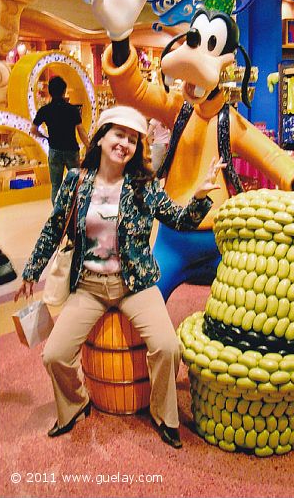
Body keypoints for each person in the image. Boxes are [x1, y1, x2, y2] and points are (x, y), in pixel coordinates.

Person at [15, 105, 225, 449]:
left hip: (136, 285)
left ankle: (164, 415)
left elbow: (180, 219)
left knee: (167, 347)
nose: (124, 144)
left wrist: (200, 197)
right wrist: (30, 272)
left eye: (132, 139)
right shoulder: (76, 182)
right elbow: (53, 228)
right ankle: (75, 404)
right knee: (55, 354)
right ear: (100, 137)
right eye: (118, 134)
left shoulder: (144, 186)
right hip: (90, 286)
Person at [30, 76, 90, 205]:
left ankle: (57, 214)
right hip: (71, 150)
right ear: (64, 91)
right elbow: (81, 131)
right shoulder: (72, 109)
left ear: (50, 92)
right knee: (76, 183)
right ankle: (76, 209)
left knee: (56, 185)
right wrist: (89, 146)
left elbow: (33, 129)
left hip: (54, 150)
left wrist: (44, 137)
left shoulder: (44, 110)